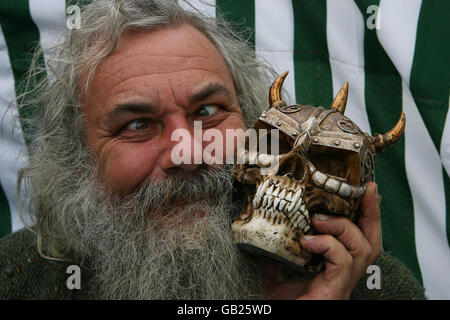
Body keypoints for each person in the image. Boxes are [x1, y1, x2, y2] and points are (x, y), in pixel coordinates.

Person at [0, 0, 425, 300]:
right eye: (138, 125)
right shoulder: (17, 279)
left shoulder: (368, 286)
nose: (188, 153)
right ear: (78, 161)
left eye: (208, 110)